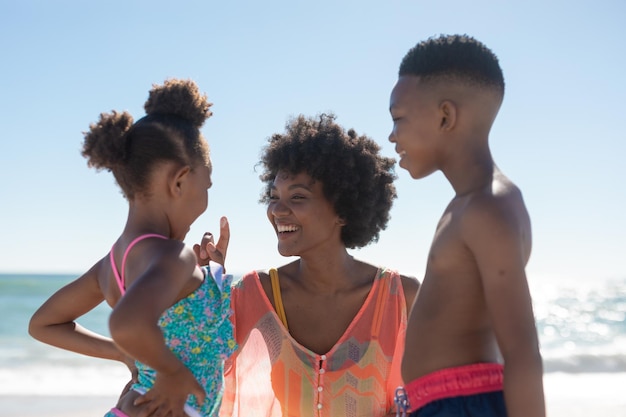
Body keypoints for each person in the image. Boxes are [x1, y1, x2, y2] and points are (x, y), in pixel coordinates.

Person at [28, 78, 236, 417]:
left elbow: (44, 324)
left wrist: (124, 353)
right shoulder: (173, 255)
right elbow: (128, 323)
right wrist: (171, 372)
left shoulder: (112, 264)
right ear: (180, 181)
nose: (206, 199)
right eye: (206, 184)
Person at [193, 113, 420, 417]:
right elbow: (195, 364)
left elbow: (433, 398)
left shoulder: (400, 297)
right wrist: (207, 292)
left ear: (343, 209)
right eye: (273, 197)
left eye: (297, 197)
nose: (276, 210)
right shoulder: (252, 294)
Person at [388, 35, 545, 417]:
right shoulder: (462, 208)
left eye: (398, 119)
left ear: (445, 116)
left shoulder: (488, 208)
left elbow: (522, 352)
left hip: (465, 407)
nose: (392, 136)